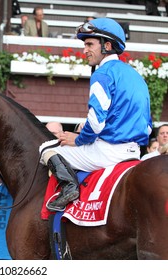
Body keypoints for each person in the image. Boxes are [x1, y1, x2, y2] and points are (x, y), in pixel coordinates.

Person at [39, 18, 152, 212]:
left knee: (46, 149)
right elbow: (147, 126)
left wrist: (79, 139)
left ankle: (69, 189)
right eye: (84, 44)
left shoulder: (102, 73)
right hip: (134, 152)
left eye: (90, 44)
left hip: (107, 153)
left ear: (107, 46)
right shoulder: (135, 75)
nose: (85, 50)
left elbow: (96, 123)